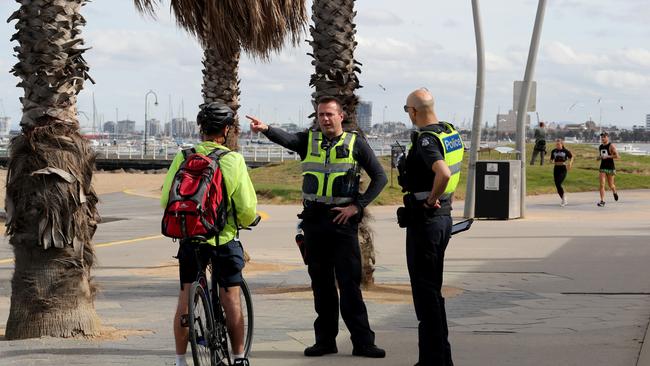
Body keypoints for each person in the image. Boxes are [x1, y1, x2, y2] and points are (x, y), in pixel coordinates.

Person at [246, 96, 388, 358]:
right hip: (314, 222)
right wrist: (265, 129)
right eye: (321, 114)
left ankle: (363, 342)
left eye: (329, 114)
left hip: (342, 222)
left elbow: (381, 177)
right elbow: (286, 139)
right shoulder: (308, 141)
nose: (324, 119)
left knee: (349, 285)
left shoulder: (356, 143)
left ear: (341, 116)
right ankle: (325, 341)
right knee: (321, 286)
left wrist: (358, 206)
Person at [161, 102, 258, 366]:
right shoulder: (233, 160)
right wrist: (249, 220)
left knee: (186, 296)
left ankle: (180, 360)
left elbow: (164, 201)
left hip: (190, 238)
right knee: (231, 296)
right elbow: (247, 209)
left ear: (201, 129)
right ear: (226, 130)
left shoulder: (183, 157)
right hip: (223, 239)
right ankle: (239, 358)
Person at [397, 88, 464, 366]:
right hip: (444, 220)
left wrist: (430, 200)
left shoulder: (426, 139)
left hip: (427, 222)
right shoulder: (449, 132)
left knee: (425, 295)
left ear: (413, 111)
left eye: (406, 110)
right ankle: (436, 358)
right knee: (432, 291)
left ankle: (434, 360)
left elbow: (443, 172)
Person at [596, 132, 619, 207]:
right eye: (602, 137)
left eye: (604, 137)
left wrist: (608, 157)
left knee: (610, 185)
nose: (602, 138)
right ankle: (602, 201)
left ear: (607, 137)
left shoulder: (611, 146)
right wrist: (599, 158)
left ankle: (614, 191)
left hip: (610, 167)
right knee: (602, 184)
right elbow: (600, 156)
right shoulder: (600, 146)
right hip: (602, 167)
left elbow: (617, 156)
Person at [549, 139, 573, 207]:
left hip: (563, 169)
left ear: (562, 144)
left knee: (559, 183)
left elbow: (571, 157)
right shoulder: (554, 151)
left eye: (559, 144)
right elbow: (551, 159)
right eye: (556, 144)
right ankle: (563, 199)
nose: (557, 145)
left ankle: (564, 199)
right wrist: (551, 161)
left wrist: (570, 164)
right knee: (557, 185)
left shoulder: (565, 151)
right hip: (556, 168)